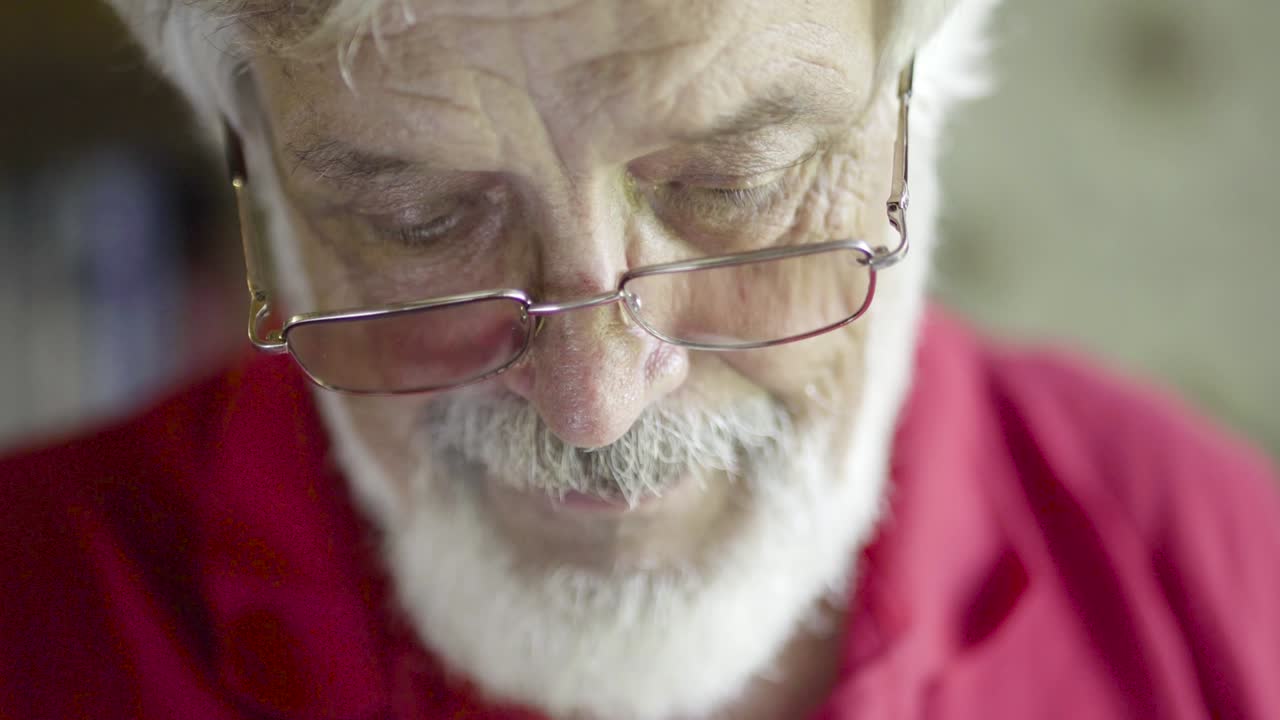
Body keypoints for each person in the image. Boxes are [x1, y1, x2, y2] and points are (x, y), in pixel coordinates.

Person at [2, 0, 1278, 718]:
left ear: (921, 96)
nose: (592, 403)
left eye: (734, 187)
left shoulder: (1219, 589)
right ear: (256, 172)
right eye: (419, 223)